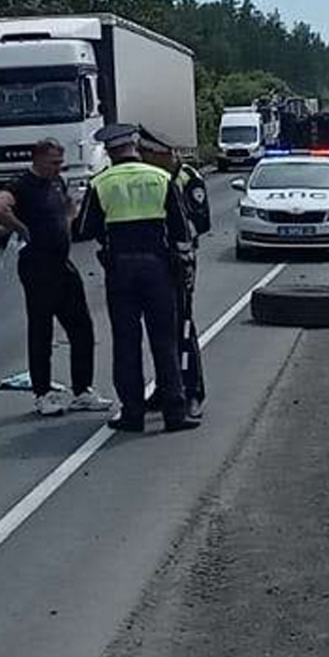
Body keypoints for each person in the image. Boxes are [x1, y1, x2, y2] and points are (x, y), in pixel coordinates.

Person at [76, 124, 196, 432]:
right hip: (158, 269)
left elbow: (84, 229)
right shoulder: (160, 178)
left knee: (126, 344)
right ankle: (174, 412)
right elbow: (182, 229)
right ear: (134, 145)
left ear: (109, 151)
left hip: (120, 271)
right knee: (165, 342)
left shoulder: (101, 183)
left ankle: (132, 413)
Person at [0, 138, 111, 418]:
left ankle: (83, 390)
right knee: (41, 330)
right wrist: (21, 228)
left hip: (62, 264)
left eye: (60, 162)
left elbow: (69, 207)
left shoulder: (58, 183)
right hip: (37, 266)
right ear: (39, 159)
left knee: (82, 326)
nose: (59, 167)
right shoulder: (21, 184)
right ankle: (42, 394)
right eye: (54, 162)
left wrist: (67, 222)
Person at [139, 133, 211, 417]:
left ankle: (192, 391)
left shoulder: (186, 178)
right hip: (154, 262)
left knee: (182, 326)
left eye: (148, 152)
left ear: (163, 153)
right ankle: (167, 386)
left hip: (179, 261)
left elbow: (201, 221)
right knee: (159, 329)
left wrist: (173, 235)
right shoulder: (150, 177)